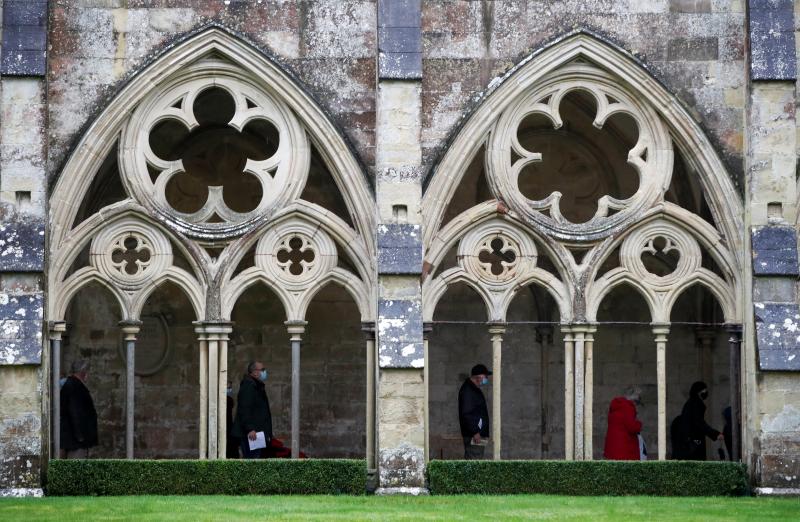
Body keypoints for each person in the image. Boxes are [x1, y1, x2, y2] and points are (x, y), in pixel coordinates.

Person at [672, 381, 723, 460]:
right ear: (699, 392)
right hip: (693, 443)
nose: (706, 392)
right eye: (704, 390)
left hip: (687, 442)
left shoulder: (690, 403)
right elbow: (699, 423)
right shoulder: (696, 404)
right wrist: (715, 434)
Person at [231, 361, 273, 458]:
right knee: (252, 462)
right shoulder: (249, 385)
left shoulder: (256, 385)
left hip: (257, 433)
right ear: (254, 372)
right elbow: (244, 408)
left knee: (256, 461)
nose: (264, 372)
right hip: (252, 435)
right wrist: (250, 429)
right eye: (262, 370)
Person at [60, 360, 98, 459]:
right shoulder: (75, 386)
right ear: (83, 372)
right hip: (75, 440)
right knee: (75, 467)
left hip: (74, 437)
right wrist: (80, 436)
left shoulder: (72, 384)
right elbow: (75, 411)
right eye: (87, 371)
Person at [458, 364, 491, 460]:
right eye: (485, 377)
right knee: (474, 461)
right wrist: (475, 432)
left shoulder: (472, 389)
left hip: (476, 434)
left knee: (476, 461)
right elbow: (466, 413)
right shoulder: (468, 391)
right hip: (474, 436)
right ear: (479, 377)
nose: (486, 379)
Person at [603, 386, 643, 460]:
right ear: (634, 399)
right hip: (624, 449)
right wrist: (639, 424)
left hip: (613, 448)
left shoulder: (616, 406)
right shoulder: (628, 407)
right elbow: (632, 427)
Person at [225, 381, 239, 459]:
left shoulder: (230, 399)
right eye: (228, 388)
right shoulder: (229, 400)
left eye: (230, 388)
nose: (229, 390)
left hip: (229, 425)